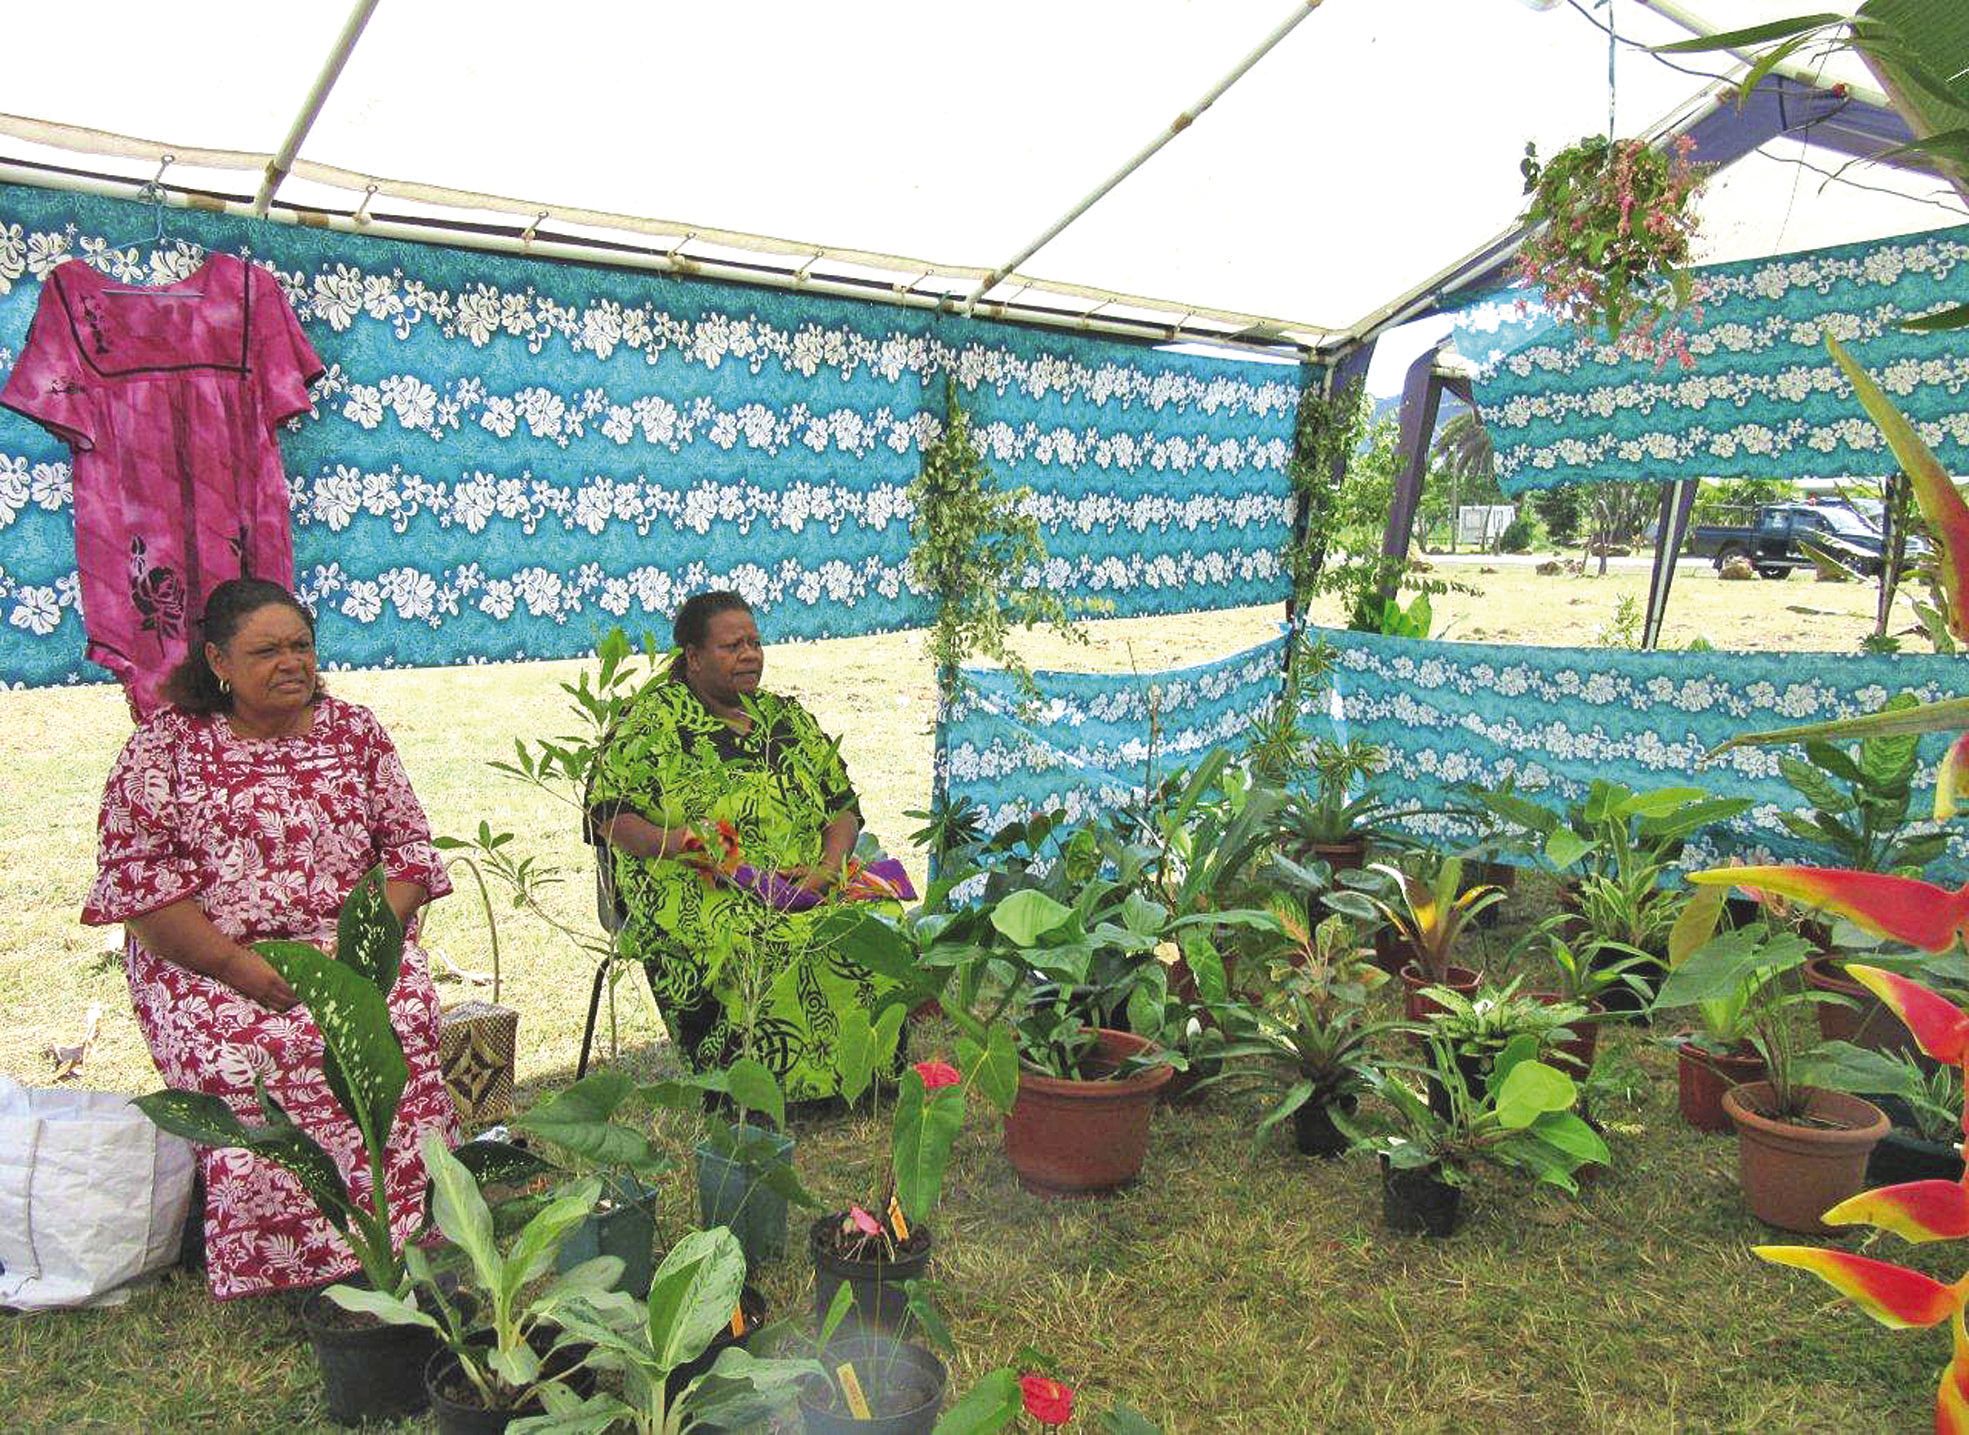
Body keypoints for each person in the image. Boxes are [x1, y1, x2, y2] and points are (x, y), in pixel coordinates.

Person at [82, 578, 458, 1299]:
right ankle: (288, 1262)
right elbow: (139, 888)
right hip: (212, 959)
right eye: (266, 650)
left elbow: (409, 852)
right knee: (251, 1046)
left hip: (351, 953)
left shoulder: (355, 733)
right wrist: (238, 966)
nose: (291, 662)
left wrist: (364, 959)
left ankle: (407, 1231)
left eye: (301, 646)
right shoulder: (165, 749)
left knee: (404, 1018)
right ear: (218, 660)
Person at [589, 591, 911, 1102]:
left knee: (874, 918)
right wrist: (685, 844)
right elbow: (609, 815)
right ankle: (760, 1093)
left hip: (803, 876)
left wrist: (828, 868)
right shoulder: (651, 724)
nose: (750, 654)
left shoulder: (787, 721)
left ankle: (865, 1074)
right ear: (692, 657)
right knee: (757, 936)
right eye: (732, 645)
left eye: (755, 643)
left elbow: (842, 807)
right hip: (695, 878)